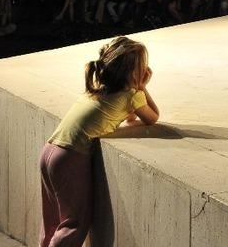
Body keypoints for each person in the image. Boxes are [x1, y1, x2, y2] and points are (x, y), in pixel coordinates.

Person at [40, 37, 160, 247]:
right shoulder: (131, 95)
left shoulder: (95, 89)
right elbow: (152, 117)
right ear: (135, 71)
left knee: (52, 220)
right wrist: (142, 87)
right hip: (70, 157)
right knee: (74, 223)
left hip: (49, 150)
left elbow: (129, 117)